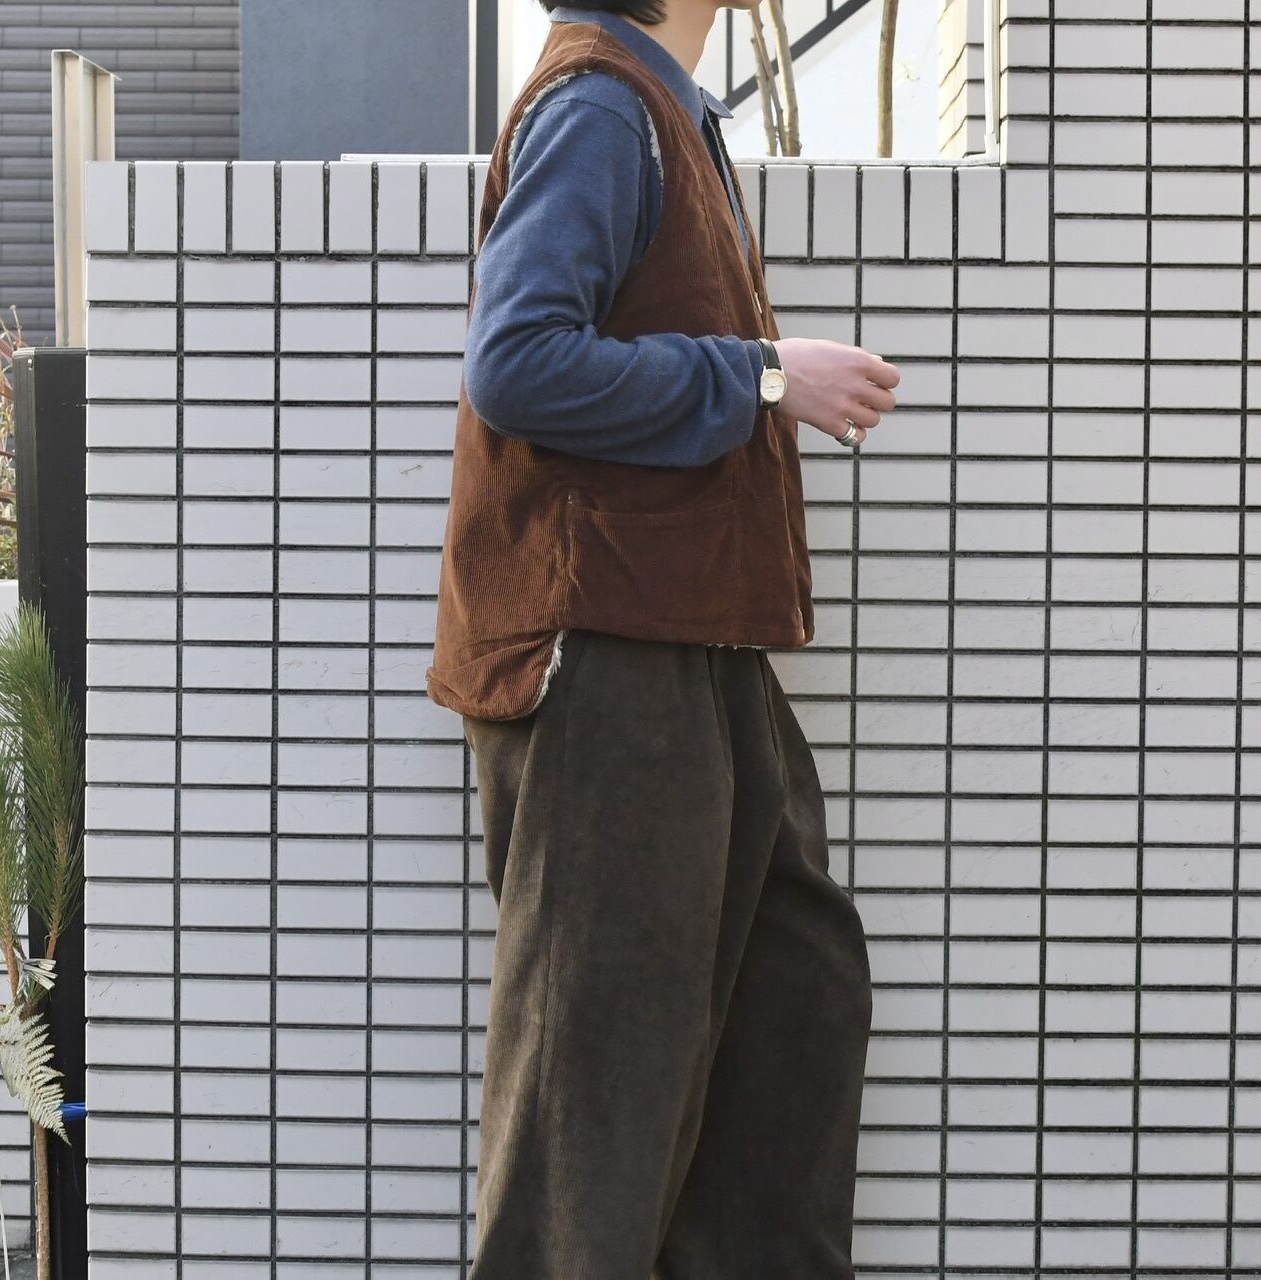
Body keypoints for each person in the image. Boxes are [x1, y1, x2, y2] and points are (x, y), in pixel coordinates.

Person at [424, 3, 902, 1276]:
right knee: (591, 1103)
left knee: (787, 1016)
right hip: (605, 659)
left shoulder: (659, 110)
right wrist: (758, 374)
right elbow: (515, 361)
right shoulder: (599, 108)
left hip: (690, 646)